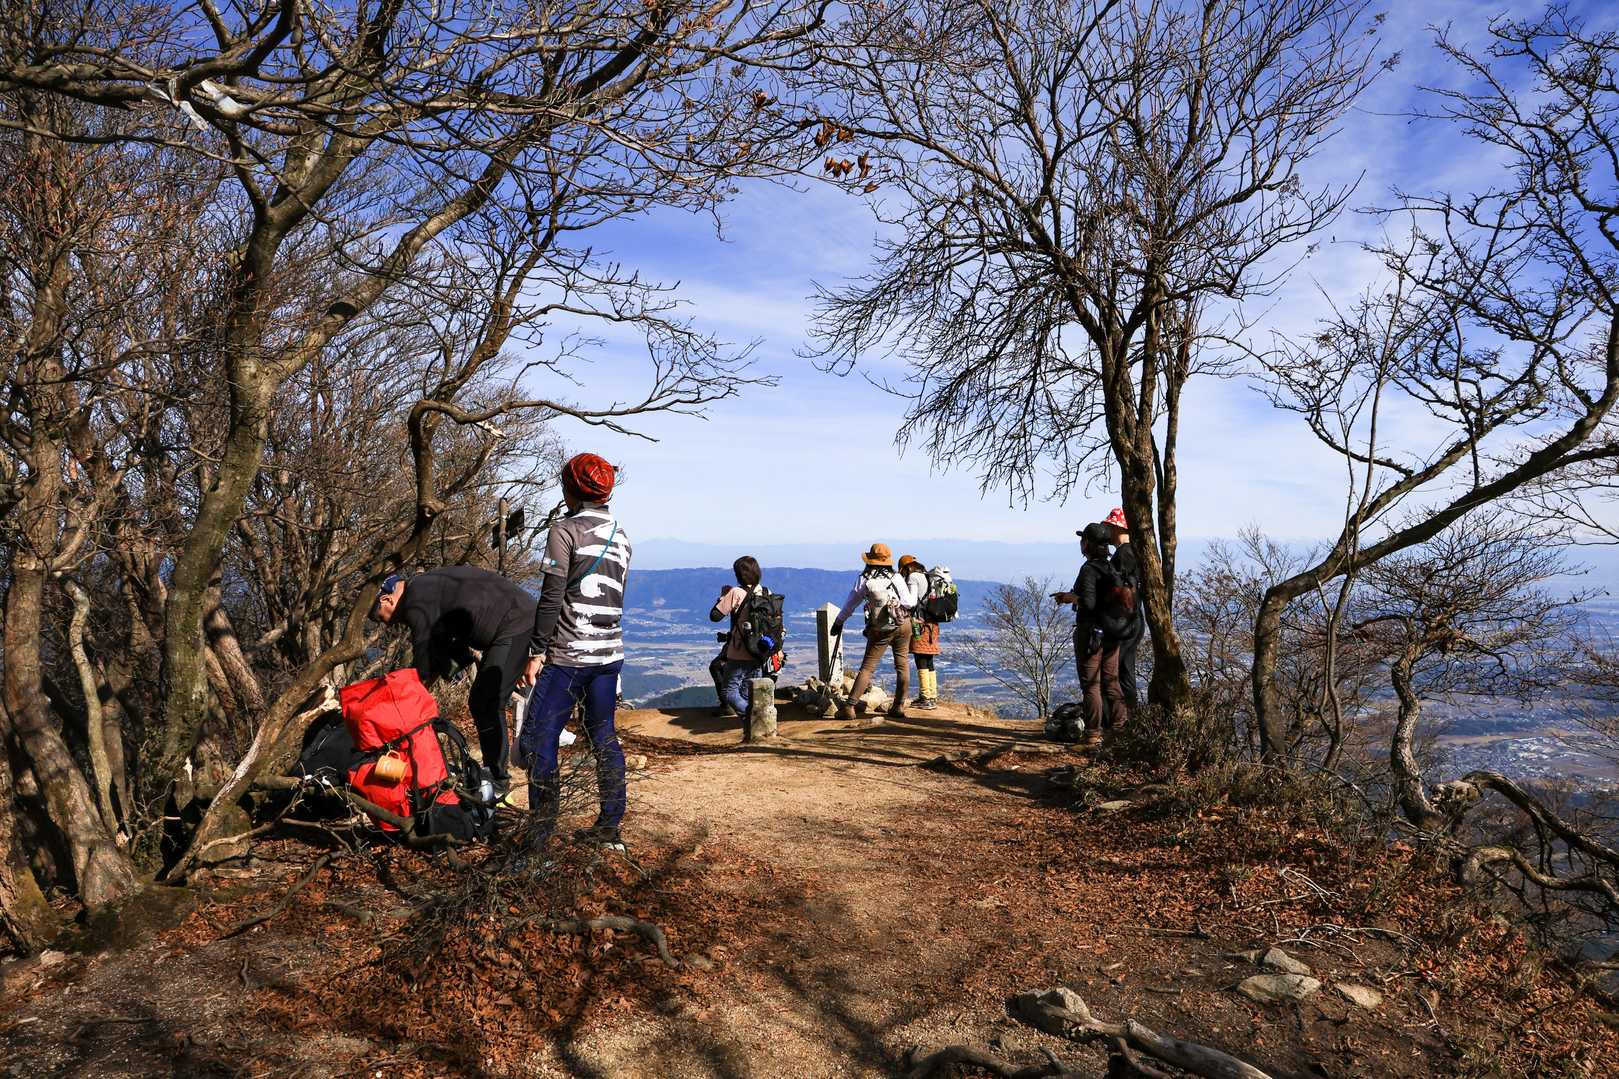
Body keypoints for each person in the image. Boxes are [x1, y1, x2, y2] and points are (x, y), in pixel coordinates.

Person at [516, 453, 633, 850]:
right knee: (603, 736)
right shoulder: (621, 536)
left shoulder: (564, 532)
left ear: (571, 489)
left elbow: (552, 597)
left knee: (540, 739)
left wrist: (536, 651)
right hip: (609, 654)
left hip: (568, 654)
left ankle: (539, 836)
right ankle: (609, 829)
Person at [371, 564, 536, 789]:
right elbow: (442, 653)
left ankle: (498, 780)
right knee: (481, 701)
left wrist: (403, 704)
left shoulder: (415, 600)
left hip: (515, 621)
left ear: (386, 600)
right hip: (511, 621)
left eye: (381, 618)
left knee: (486, 701)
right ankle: (493, 773)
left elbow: (423, 659)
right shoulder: (426, 590)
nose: (387, 623)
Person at [1051, 524, 1126, 745]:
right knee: (1112, 682)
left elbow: (1089, 603)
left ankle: (1093, 734)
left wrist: (1070, 598)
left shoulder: (1089, 569)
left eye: (1083, 540)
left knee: (1091, 685)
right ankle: (1120, 731)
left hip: (1091, 634)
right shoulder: (1111, 568)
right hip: (1112, 632)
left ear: (1087, 544)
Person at [830, 543, 918, 722]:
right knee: (902, 665)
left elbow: (850, 604)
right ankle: (898, 706)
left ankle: (850, 707)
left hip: (880, 629)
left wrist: (839, 622)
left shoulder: (864, 579)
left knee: (868, 668)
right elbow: (909, 603)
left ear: (870, 560)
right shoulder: (896, 577)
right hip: (903, 624)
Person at [710, 556, 767, 722]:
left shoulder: (735, 592)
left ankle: (756, 720)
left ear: (739, 575)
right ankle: (752, 730)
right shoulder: (765, 592)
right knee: (747, 693)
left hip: (739, 651)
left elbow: (715, 616)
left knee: (729, 692)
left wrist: (723, 597)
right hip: (759, 651)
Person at [1103, 507, 1146, 710]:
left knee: (1115, 672)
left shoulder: (1124, 554)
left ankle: (1120, 716)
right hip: (1132, 621)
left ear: (1119, 528)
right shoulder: (1133, 552)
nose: (1108, 532)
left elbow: (1119, 590)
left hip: (1124, 623)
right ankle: (1130, 714)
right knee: (1125, 670)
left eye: (1110, 527)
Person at [899, 555, 941, 711]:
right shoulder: (927, 576)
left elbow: (911, 601)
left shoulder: (913, 577)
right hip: (932, 624)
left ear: (905, 568)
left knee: (920, 659)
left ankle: (925, 698)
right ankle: (932, 695)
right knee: (929, 660)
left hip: (920, 624)